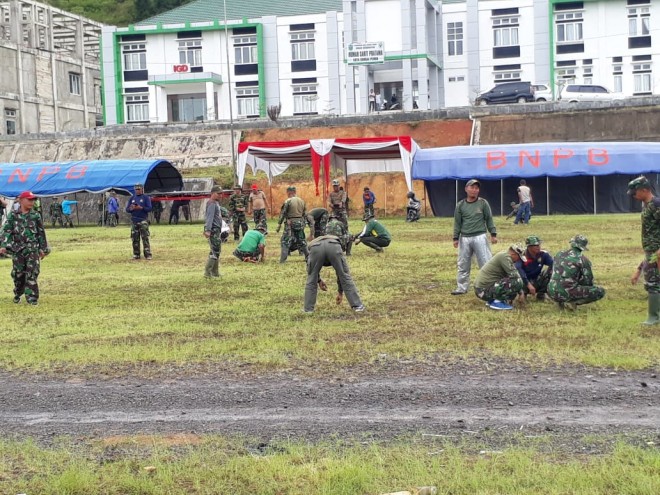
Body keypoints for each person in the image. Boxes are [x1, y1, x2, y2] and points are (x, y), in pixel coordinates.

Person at [0, 191, 49, 305]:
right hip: (18, 250)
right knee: (19, 274)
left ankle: (32, 298)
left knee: (32, 273)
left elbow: (41, 233)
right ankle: (18, 292)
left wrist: (43, 249)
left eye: (33, 200)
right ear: (21, 200)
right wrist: (3, 245)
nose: (32, 202)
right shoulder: (13, 215)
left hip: (32, 249)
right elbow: (6, 231)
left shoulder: (35, 215)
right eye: (29, 200)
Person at [451, 179, 497, 295]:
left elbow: (489, 219)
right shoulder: (460, 205)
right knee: (463, 264)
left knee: (486, 262)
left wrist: (493, 234)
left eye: (476, 188)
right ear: (466, 189)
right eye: (472, 187)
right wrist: (455, 238)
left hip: (480, 236)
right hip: (465, 238)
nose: (474, 190)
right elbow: (457, 222)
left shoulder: (483, 203)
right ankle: (461, 287)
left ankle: (489, 286)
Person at [303, 234, 365, 313]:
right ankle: (358, 306)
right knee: (344, 275)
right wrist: (340, 292)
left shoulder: (314, 244)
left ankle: (308, 310)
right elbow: (341, 275)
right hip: (333, 246)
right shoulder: (338, 242)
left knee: (311, 278)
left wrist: (318, 280)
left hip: (315, 247)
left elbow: (310, 270)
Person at [627, 176, 660, 325]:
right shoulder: (646, 205)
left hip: (657, 252)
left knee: (653, 283)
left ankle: (654, 317)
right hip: (651, 251)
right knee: (652, 282)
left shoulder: (656, 204)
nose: (633, 196)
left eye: (635, 193)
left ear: (645, 190)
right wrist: (639, 268)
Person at [548, 235, 605, 310]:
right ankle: (570, 302)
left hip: (550, 290)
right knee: (600, 291)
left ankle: (560, 301)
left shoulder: (559, 254)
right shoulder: (583, 260)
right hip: (567, 292)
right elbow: (588, 281)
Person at [474, 244, 525, 310]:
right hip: (483, 291)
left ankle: (492, 301)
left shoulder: (502, 255)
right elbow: (516, 277)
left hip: (481, 290)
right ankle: (497, 302)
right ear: (514, 254)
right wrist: (521, 292)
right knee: (518, 282)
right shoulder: (505, 257)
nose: (518, 260)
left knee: (512, 281)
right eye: (519, 258)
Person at [516, 235, 553, 301]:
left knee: (550, 271)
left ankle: (541, 294)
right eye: (536, 245)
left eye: (539, 245)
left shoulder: (543, 254)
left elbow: (554, 264)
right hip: (524, 280)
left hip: (536, 279)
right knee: (517, 276)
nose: (538, 247)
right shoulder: (521, 256)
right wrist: (528, 285)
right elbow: (519, 272)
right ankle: (522, 293)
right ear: (529, 247)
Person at [276, 186, 308, 263]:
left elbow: (283, 213)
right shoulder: (301, 201)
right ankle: (308, 256)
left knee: (285, 240)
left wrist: (279, 224)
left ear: (289, 192)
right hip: (300, 222)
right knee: (302, 240)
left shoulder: (288, 201)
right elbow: (304, 213)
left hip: (290, 223)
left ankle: (283, 260)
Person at [126, 183, 153, 260]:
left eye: (139, 189)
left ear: (142, 189)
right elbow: (127, 209)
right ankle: (136, 254)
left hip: (143, 220)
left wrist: (141, 208)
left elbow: (149, 208)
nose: (137, 191)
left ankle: (147, 254)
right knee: (135, 239)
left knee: (145, 238)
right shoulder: (132, 198)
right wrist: (131, 208)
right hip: (134, 220)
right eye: (136, 189)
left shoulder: (146, 198)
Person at [203, 185, 223, 278]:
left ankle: (215, 272)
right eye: (218, 193)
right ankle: (208, 272)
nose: (220, 195)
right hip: (213, 230)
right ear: (213, 193)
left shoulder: (216, 203)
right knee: (214, 251)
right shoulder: (211, 203)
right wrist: (208, 230)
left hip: (217, 229)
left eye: (221, 193)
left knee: (217, 251)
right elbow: (209, 218)